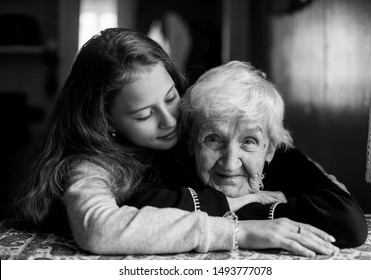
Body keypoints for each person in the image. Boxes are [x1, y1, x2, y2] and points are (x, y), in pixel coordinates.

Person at [11, 28, 339, 257]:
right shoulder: (91, 165)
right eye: (143, 115)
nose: (170, 121)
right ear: (105, 120)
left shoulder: (190, 124)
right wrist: (240, 227)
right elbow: (99, 230)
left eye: (170, 97)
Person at [127, 61, 368, 249]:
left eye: (249, 141)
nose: (231, 163)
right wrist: (247, 206)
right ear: (191, 142)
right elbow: (138, 205)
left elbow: (348, 223)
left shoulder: (284, 158)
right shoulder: (173, 158)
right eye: (213, 139)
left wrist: (250, 214)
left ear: (271, 148)